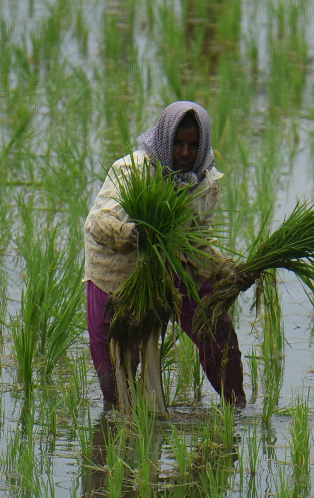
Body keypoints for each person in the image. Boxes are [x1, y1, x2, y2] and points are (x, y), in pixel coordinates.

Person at [84, 101, 252, 409]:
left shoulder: (205, 182)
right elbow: (99, 221)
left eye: (193, 144)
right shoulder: (132, 171)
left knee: (217, 330)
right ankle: (117, 412)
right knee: (116, 353)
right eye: (178, 143)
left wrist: (230, 271)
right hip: (118, 270)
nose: (186, 152)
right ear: (164, 139)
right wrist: (131, 232)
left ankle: (236, 408)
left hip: (177, 264)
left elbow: (198, 242)